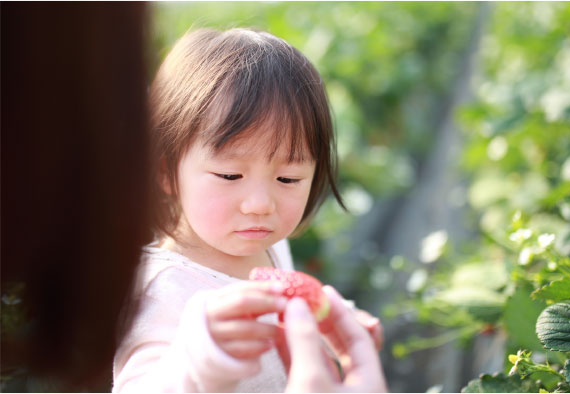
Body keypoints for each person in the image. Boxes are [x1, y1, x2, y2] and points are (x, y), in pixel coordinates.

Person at [113, 28, 383, 393]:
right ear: (167, 172)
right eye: (230, 174)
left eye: (288, 178)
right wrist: (199, 360)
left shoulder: (269, 245)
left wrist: (337, 322)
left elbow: (285, 323)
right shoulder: (160, 293)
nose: (260, 205)